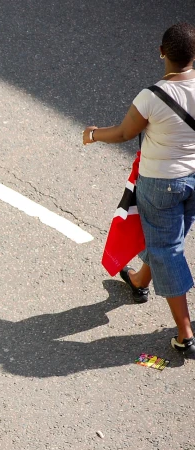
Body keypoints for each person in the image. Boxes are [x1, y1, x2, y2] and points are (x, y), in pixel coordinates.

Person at [83, 22, 195, 355]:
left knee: (167, 250)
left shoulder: (153, 96)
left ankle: (185, 333)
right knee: (167, 238)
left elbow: (123, 133)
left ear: (162, 52)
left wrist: (92, 133)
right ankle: (139, 281)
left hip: (162, 183)